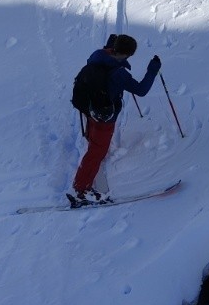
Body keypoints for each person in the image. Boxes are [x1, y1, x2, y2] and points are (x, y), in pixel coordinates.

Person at [68, 33, 160, 207]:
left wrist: (111, 46)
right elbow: (141, 90)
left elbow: (105, 58)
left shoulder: (97, 56)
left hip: (90, 107)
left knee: (94, 141)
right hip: (105, 117)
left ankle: (90, 144)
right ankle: (81, 190)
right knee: (97, 152)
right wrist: (152, 70)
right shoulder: (120, 75)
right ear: (127, 54)